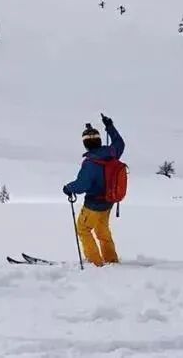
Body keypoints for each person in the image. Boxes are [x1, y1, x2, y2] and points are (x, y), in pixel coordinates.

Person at [63, 114, 125, 267]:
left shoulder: (90, 163)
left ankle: (94, 263)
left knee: (83, 229)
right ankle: (111, 260)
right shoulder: (112, 153)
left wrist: (68, 188)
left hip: (93, 205)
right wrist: (109, 126)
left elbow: (82, 185)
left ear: (85, 144)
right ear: (99, 140)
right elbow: (120, 143)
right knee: (102, 230)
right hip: (108, 202)